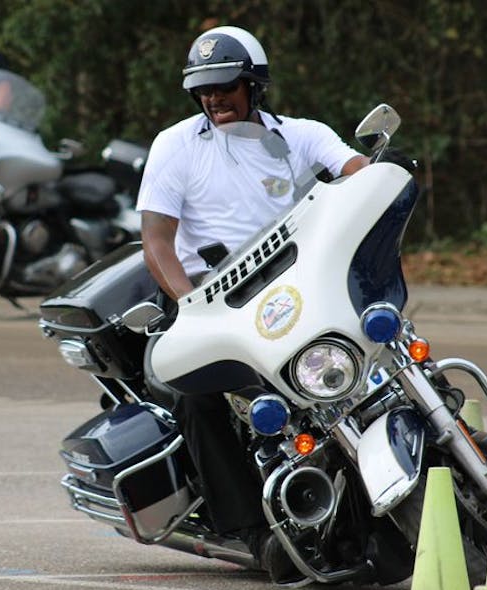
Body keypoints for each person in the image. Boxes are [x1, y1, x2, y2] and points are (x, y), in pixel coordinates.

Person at [135, 25, 369, 584]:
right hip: (210, 305)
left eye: (226, 86)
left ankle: (437, 438)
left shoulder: (302, 136)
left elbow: (355, 171)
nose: (214, 98)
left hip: (296, 293)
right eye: (204, 89)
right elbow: (158, 242)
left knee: (375, 346)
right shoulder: (176, 145)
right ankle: (254, 532)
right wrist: (188, 304)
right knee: (200, 398)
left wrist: (379, 175)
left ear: (254, 85)